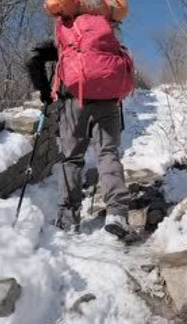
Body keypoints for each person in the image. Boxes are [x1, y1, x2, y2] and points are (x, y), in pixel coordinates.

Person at [24, 36, 137, 242]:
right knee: (108, 154)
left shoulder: (65, 39)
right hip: (108, 103)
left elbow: (33, 56)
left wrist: (44, 90)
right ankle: (117, 214)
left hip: (73, 103)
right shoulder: (106, 37)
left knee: (72, 159)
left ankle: (68, 220)